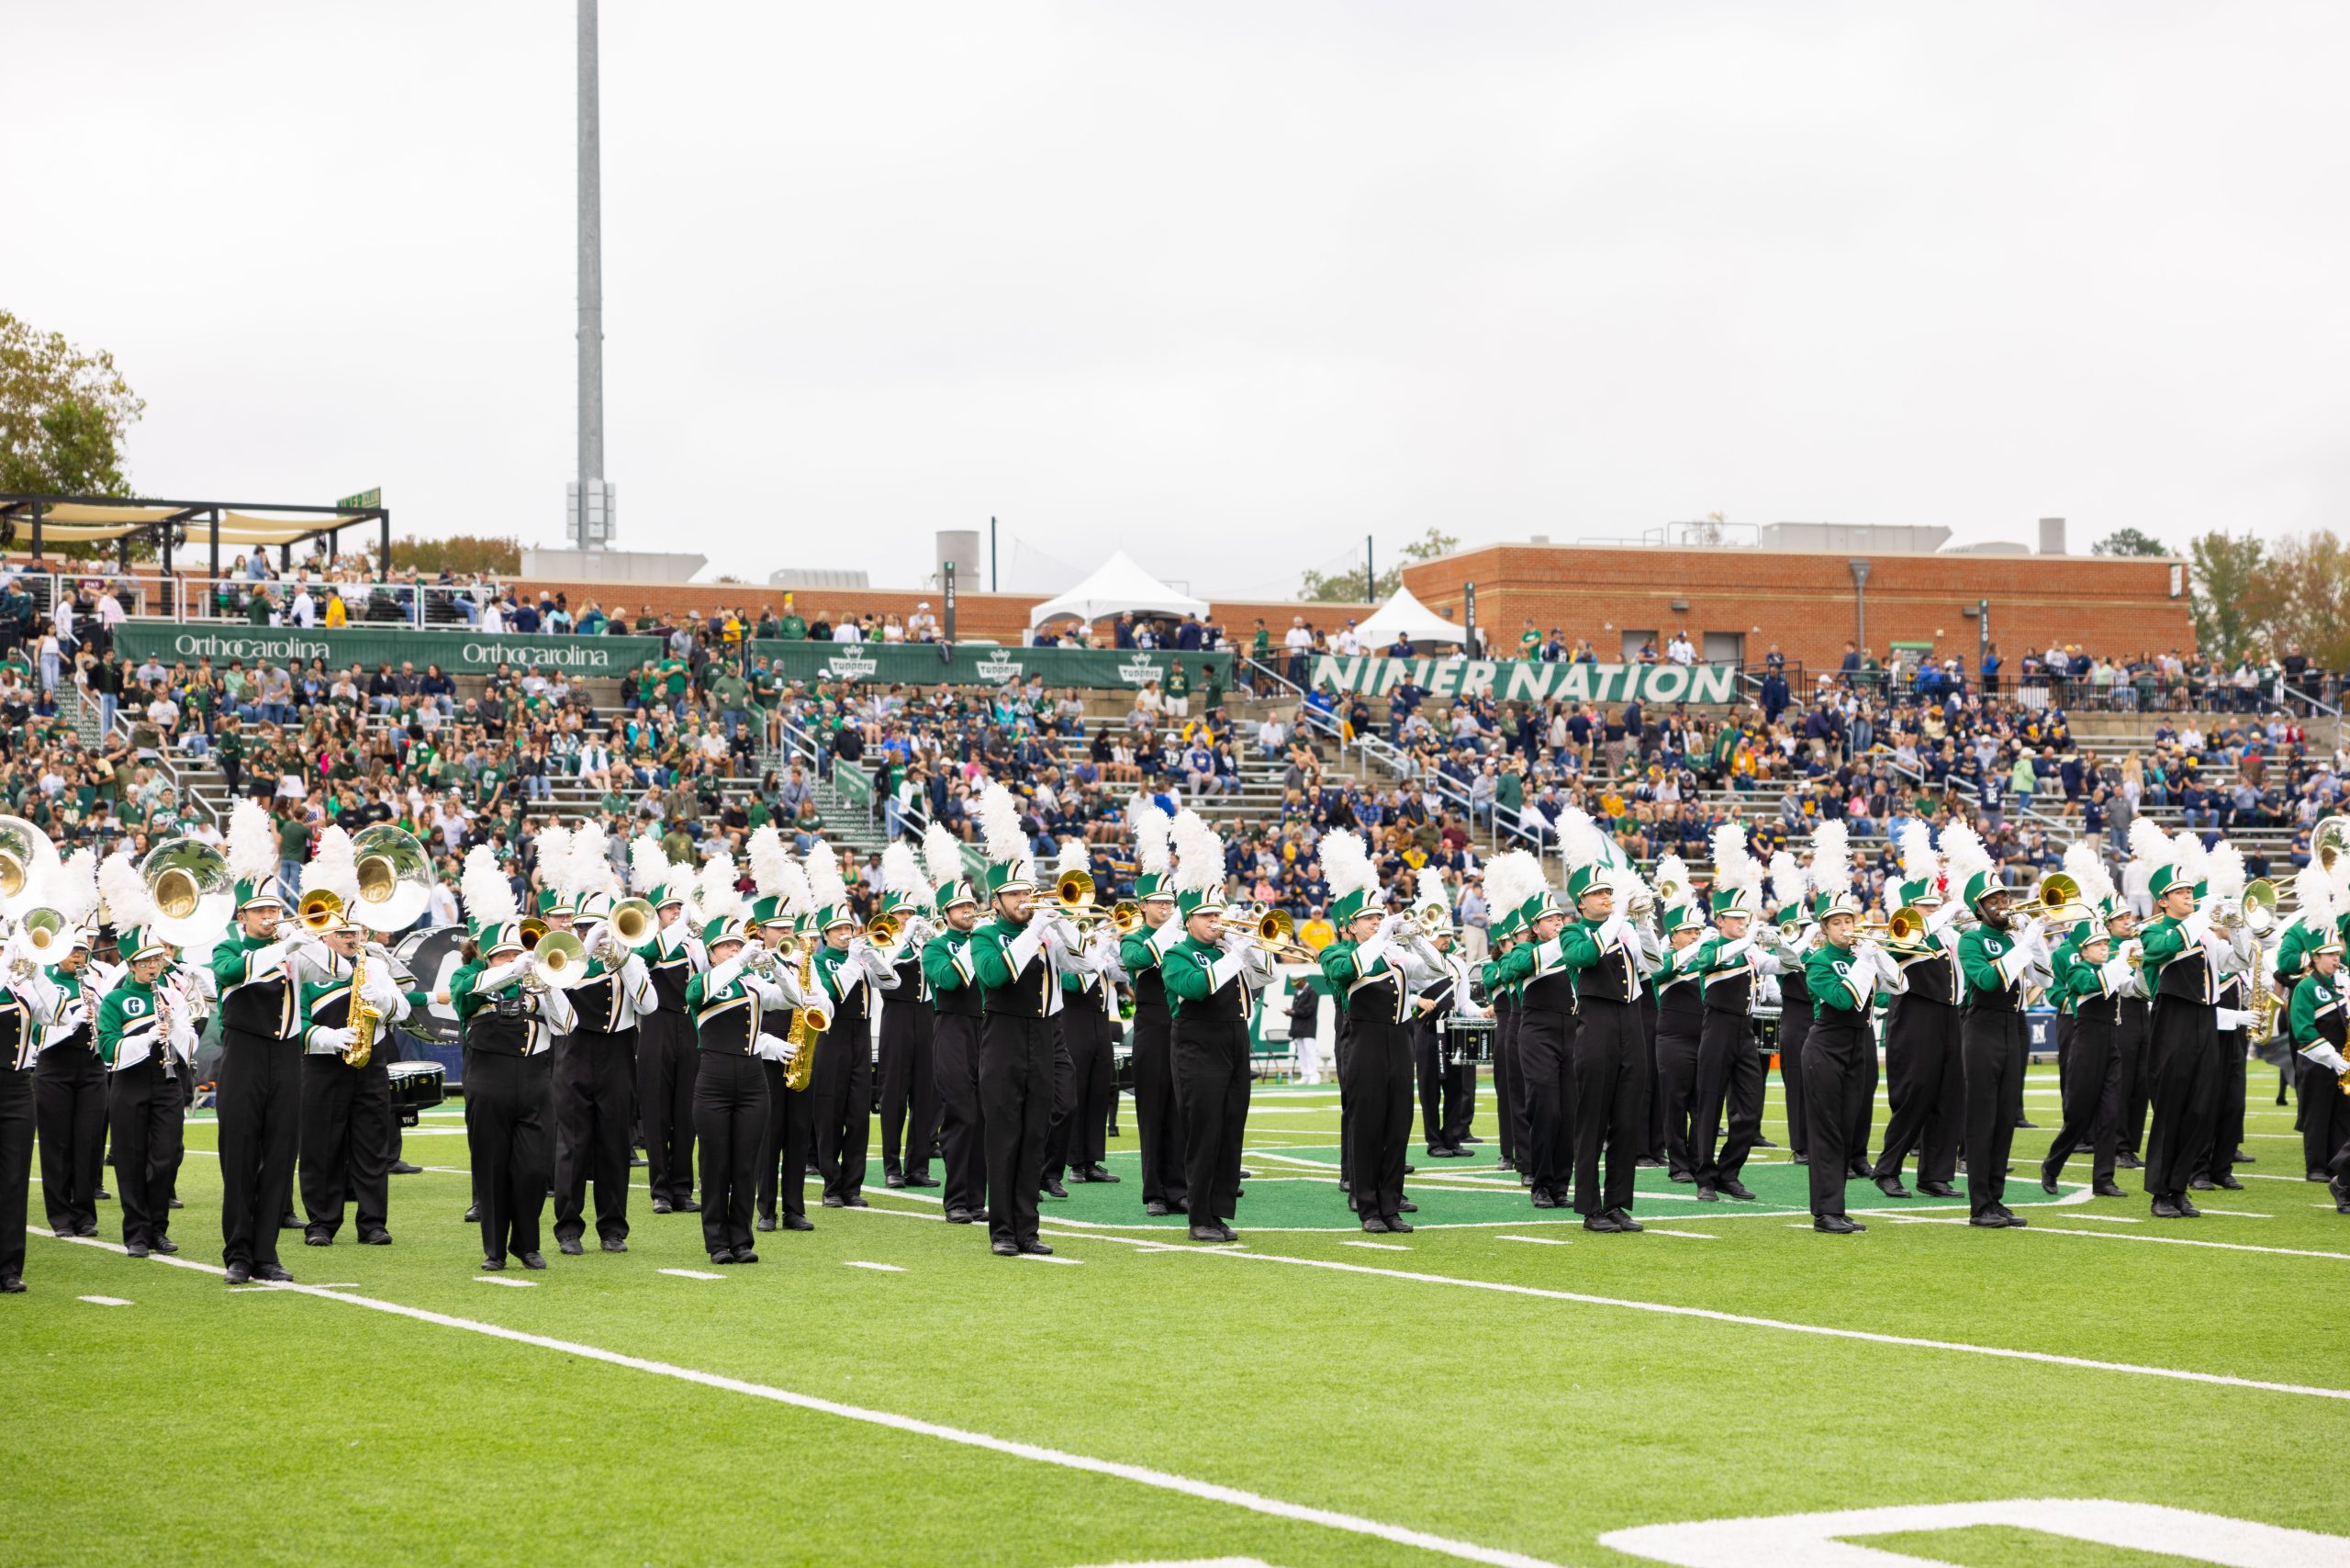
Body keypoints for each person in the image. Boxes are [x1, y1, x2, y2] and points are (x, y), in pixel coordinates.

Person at [451, 847, 576, 1270]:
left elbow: (567, 1024)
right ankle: (494, 1250)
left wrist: (548, 988)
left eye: (516, 953)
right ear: (490, 957)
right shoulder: (470, 977)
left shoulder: (536, 981)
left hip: (535, 1083)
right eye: (504, 954)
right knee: (491, 1168)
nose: (513, 960)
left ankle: (529, 1244)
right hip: (490, 1081)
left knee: (530, 1170)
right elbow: (467, 996)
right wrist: (513, 969)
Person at [968, 783, 1080, 1257]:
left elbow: (1082, 968)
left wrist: (1061, 930)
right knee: (1004, 1138)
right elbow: (995, 975)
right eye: (1013, 894)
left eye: (1026, 892)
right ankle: (1002, 1231)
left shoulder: (1042, 931)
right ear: (996, 900)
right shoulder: (985, 935)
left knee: (1035, 1135)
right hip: (1003, 1040)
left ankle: (1028, 1230)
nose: (1022, 900)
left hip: (1042, 1037)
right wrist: (1031, 931)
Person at [1159, 811, 1271, 1244]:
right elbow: (1195, 988)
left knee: (1230, 1128)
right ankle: (1198, 1216)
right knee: (1204, 1132)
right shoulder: (1177, 954)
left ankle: (1220, 1211)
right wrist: (1231, 958)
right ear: (1189, 920)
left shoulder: (1230, 949)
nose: (1215, 922)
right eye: (1206, 917)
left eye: (1217, 915)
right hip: (1197, 1047)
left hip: (1234, 1042)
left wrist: (1250, 947)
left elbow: (1266, 977)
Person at [213, 802, 309, 1283]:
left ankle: (267, 1252)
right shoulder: (230, 945)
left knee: (279, 1154)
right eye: (263, 911)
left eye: (275, 909)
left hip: (287, 1058)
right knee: (239, 1154)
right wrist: (281, 947)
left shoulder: (293, 942)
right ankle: (238, 1252)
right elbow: (231, 975)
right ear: (245, 913)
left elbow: (319, 982)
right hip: (245, 1057)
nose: (272, 916)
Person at [1318, 832, 1433, 1233]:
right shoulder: (1337, 952)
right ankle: (1367, 1206)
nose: (1378, 922)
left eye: (1379, 916)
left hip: (1400, 1041)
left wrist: (1416, 938)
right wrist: (1382, 938)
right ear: (1350, 925)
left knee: (1398, 1123)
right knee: (1366, 1124)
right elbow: (1343, 972)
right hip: (1363, 1041)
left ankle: (1391, 1204)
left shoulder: (1390, 951)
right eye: (1370, 918)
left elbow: (1433, 972)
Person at [685, 893, 798, 1265]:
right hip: (714, 1078)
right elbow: (704, 991)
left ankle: (742, 1240)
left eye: (737, 943)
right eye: (726, 945)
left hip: (752, 1079)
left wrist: (777, 965)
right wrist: (743, 959)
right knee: (716, 1164)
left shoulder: (752, 985)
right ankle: (717, 1242)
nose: (734, 949)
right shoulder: (701, 982)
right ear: (712, 952)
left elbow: (794, 999)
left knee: (746, 1163)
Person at [294, 903, 411, 1248]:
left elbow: (402, 1010)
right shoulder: (305, 965)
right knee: (321, 1146)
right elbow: (295, 1020)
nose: (350, 938)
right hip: (323, 1066)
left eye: (354, 932)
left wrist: (385, 998)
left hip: (370, 1063)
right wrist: (327, 1038)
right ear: (323, 937)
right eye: (342, 933)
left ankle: (373, 1223)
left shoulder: (373, 964)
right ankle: (322, 1222)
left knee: (372, 1144)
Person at [2131, 824, 2227, 1220]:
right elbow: (2162, 951)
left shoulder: (2202, 934)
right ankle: (2160, 1192)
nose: (2190, 896)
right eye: (2182, 893)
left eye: (2190, 891)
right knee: (2171, 1108)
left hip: (2205, 1019)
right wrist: (2201, 917)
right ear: (2163, 900)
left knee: (2201, 1109)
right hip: (2173, 1022)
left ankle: (2180, 1186)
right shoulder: (2156, 931)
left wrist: (2236, 930)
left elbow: (2236, 962)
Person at [554, 882, 655, 1255]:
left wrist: (623, 960)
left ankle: (613, 1228)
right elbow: (558, 987)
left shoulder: (631, 960)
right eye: (583, 928)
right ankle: (568, 1228)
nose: (589, 934)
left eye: (596, 928)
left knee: (615, 1143)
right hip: (574, 1054)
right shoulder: (564, 958)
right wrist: (584, 949)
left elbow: (649, 1004)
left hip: (617, 1055)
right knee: (573, 1145)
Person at [1870, 827, 1967, 1200]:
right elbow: (1899, 952)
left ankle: (1935, 1175)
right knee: (1915, 1095)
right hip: (1915, 1020)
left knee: (1948, 1096)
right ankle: (1887, 1169)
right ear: (1910, 910)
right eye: (1927, 906)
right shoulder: (1903, 933)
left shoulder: (1946, 935)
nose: (1934, 909)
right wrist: (1941, 915)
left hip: (1948, 1017)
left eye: (1934, 903)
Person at [1953, 854, 2050, 1228]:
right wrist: (2022, 944)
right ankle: (1980, 1205)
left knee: (2006, 1116)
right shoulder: (1971, 940)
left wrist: (2036, 940)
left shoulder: (2014, 939)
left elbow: (2045, 980)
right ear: (1979, 908)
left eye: (2005, 897)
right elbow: (1990, 981)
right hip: (1982, 1028)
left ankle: (1997, 1198)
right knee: (1982, 1119)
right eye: (1993, 900)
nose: (2003, 905)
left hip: (2013, 1025)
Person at [95, 925, 198, 1259]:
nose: (152, 967)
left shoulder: (174, 996)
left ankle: (159, 1228)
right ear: (131, 967)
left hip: (168, 1082)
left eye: (156, 961)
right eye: (144, 963)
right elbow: (109, 1048)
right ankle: (137, 1233)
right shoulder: (115, 1000)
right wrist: (148, 1036)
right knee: (131, 1159)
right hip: (129, 1083)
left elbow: (191, 1047)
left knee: (166, 1158)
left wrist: (175, 1025)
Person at [1801, 888, 1898, 1233]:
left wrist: (1877, 954)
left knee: (1847, 1129)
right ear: (1824, 929)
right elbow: (1842, 1000)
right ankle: (1825, 1212)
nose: (1845, 928)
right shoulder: (1818, 961)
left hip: (1859, 1043)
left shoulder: (1862, 955)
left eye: (1848, 921)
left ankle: (1837, 1208)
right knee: (1827, 1130)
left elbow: (1898, 985)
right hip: (1826, 1045)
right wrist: (1863, 961)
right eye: (1836, 923)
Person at [805, 840, 894, 1209]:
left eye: (848, 927)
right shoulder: (819, 961)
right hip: (832, 1038)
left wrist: (873, 957)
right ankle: (831, 1184)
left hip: (860, 1038)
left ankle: (853, 1187)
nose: (846, 934)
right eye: (839, 929)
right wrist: (855, 961)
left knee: (859, 1114)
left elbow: (892, 982)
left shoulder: (859, 955)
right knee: (830, 1114)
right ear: (826, 934)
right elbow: (832, 994)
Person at [1486, 849, 1575, 1210]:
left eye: (1560, 917)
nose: (1558, 923)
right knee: (1545, 1109)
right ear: (1535, 928)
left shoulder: (1571, 949)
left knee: (1569, 1112)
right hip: (1536, 1034)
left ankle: (1561, 1185)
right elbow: (1511, 969)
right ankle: (1540, 1182)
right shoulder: (1521, 954)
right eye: (1551, 920)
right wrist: (1561, 941)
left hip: (1572, 1032)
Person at [2040, 888, 2137, 1200]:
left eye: (2106, 943)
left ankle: (2104, 1179)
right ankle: (2052, 1166)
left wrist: (2140, 963)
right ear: (2083, 950)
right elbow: (2089, 985)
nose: (2105, 948)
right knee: (2079, 1115)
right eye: (2098, 944)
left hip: (2111, 1041)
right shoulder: (2078, 968)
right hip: (2087, 1043)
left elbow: (2138, 990)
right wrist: (2121, 960)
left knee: (2110, 1114)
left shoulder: (2111, 967)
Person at [1115, 802, 1189, 1216]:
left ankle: (1178, 1188)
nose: (1166, 908)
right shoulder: (1133, 936)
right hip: (1150, 1029)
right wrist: (1170, 931)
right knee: (1152, 1110)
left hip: (1181, 1029)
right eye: (1159, 903)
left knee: (1179, 1111)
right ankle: (1154, 1192)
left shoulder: (1180, 934)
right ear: (1143, 905)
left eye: (1169, 902)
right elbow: (1138, 960)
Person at [918, 824, 989, 1226]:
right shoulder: (936, 946)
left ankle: (977, 1199)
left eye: (971, 906)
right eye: (961, 909)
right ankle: (956, 1200)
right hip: (951, 1030)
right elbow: (947, 980)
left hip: (986, 1029)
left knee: (984, 1117)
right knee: (961, 1114)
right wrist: (972, 942)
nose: (969, 912)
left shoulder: (984, 938)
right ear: (945, 914)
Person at [0, 924, 67, 1292]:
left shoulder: (21, 986)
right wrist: (6, 961)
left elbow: (58, 1015)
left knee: (13, 1179)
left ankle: (8, 1267)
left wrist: (37, 969)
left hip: (16, 1089)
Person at [632, 868, 701, 1215]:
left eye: (679, 907)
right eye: (670, 908)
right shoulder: (649, 943)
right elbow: (644, 958)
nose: (677, 912)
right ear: (656, 914)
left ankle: (683, 1188)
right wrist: (677, 928)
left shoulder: (693, 945)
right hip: (657, 1026)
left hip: (689, 1028)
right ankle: (660, 1190)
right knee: (657, 1112)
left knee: (686, 1112)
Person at [872, 844, 940, 1191]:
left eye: (911, 913)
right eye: (901, 915)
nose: (907, 919)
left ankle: (919, 1165)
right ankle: (891, 1166)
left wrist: (930, 937)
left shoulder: (925, 939)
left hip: (927, 1016)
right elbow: (885, 967)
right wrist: (907, 936)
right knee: (894, 1094)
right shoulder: (883, 941)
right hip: (897, 1018)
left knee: (924, 1094)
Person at [33, 922, 104, 1243]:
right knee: (56, 1143)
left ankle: (85, 1213)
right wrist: (71, 1021)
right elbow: (36, 1031)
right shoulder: (43, 982)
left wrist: (99, 1017)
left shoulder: (96, 984)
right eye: (73, 951)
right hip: (54, 1065)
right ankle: (60, 1216)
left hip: (90, 1065)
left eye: (83, 951)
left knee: (88, 1142)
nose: (78, 957)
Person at [2287, 936, 2350, 1212]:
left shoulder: (2340, 984)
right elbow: (2303, 1029)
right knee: (2317, 1113)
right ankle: (2315, 1167)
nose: (2336, 960)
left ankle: (2336, 1166)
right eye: (2330, 955)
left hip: (2341, 1059)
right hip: (2316, 1059)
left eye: (2338, 955)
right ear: (2315, 959)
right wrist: (2332, 1058)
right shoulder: (2306, 986)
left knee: (2341, 1113)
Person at [1414, 906, 1481, 1158]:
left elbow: (1463, 1002)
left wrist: (1480, 1012)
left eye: (1448, 934)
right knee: (1430, 1087)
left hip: (1453, 1028)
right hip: (1428, 1027)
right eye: (1441, 934)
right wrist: (1417, 1001)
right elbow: (1404, 991)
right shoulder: (1417, 962)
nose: (1446, 939)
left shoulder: (1458, 963)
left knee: (1456, 1086)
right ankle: (1434, 1142)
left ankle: (1452, 1138)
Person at [1651, 898, 1707, 1181]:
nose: (1695, 937)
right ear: (1673, 936)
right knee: (1675, 1104)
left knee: (1702, 1107)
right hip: (1673, 1040)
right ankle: (1678, 1165)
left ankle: (1699, 1163)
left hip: (1704, 1040)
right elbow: (1659, 972)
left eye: (1697, 932)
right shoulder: (1664, 958)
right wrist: (1697, 947)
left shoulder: (1705, 961)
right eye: (1688, 932)